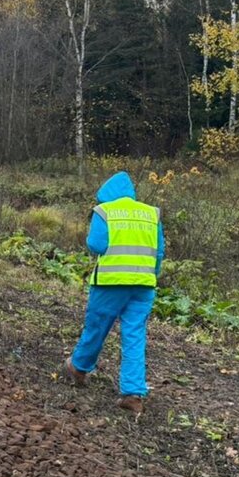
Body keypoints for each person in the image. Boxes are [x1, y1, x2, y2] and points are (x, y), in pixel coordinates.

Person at [63, 171, 165, 415]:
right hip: (143, 284)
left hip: (111, 282)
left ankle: (78, 367)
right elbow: (159, 251)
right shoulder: (151, 213)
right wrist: (152, 273)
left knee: (97, 326)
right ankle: (132, 393)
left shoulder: (104, 212)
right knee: (135, 335)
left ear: (105, 194)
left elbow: (96, 244)